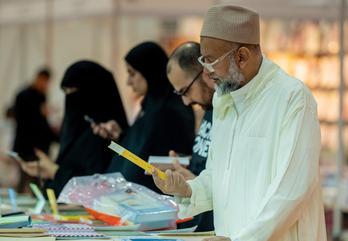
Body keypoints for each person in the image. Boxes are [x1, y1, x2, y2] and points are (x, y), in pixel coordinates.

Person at [152, 5, 327, 241]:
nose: (206, 71)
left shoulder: (292, 98)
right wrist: (188, 189)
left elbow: (291, 192)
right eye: (203, 60)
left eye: (211, 60)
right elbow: (219, 178)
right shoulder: (224, 98)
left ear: (242, 57)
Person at [93, 42, 195, 192]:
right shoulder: (150, 106)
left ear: (149, 71)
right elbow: (143, 152)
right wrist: (122, 136)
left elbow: (166, 159)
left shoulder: (171, 110)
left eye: (132, 73)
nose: (128, 81)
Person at [20, 61, 128, 195]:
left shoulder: (107, 134)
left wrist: (54, 170)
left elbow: (98, 186)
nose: (70, 100)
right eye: (66, 92)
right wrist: (47, 170)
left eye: (74, 91)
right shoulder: (77, 129)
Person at [166, 42, 215, 231]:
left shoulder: (226, 112)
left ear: (203, 73)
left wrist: (192, 182)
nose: (186, 101)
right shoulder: (210, 109)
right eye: (179, 93)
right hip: (196, 223)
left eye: (185, 90)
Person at [13, 68, 57, 161]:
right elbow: (23, 121)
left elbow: (43, 120)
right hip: (27, 146)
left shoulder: (42, 96)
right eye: (44, 81)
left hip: (41, 146)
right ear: (38, 78)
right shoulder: (23, 96)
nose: (45, 85)